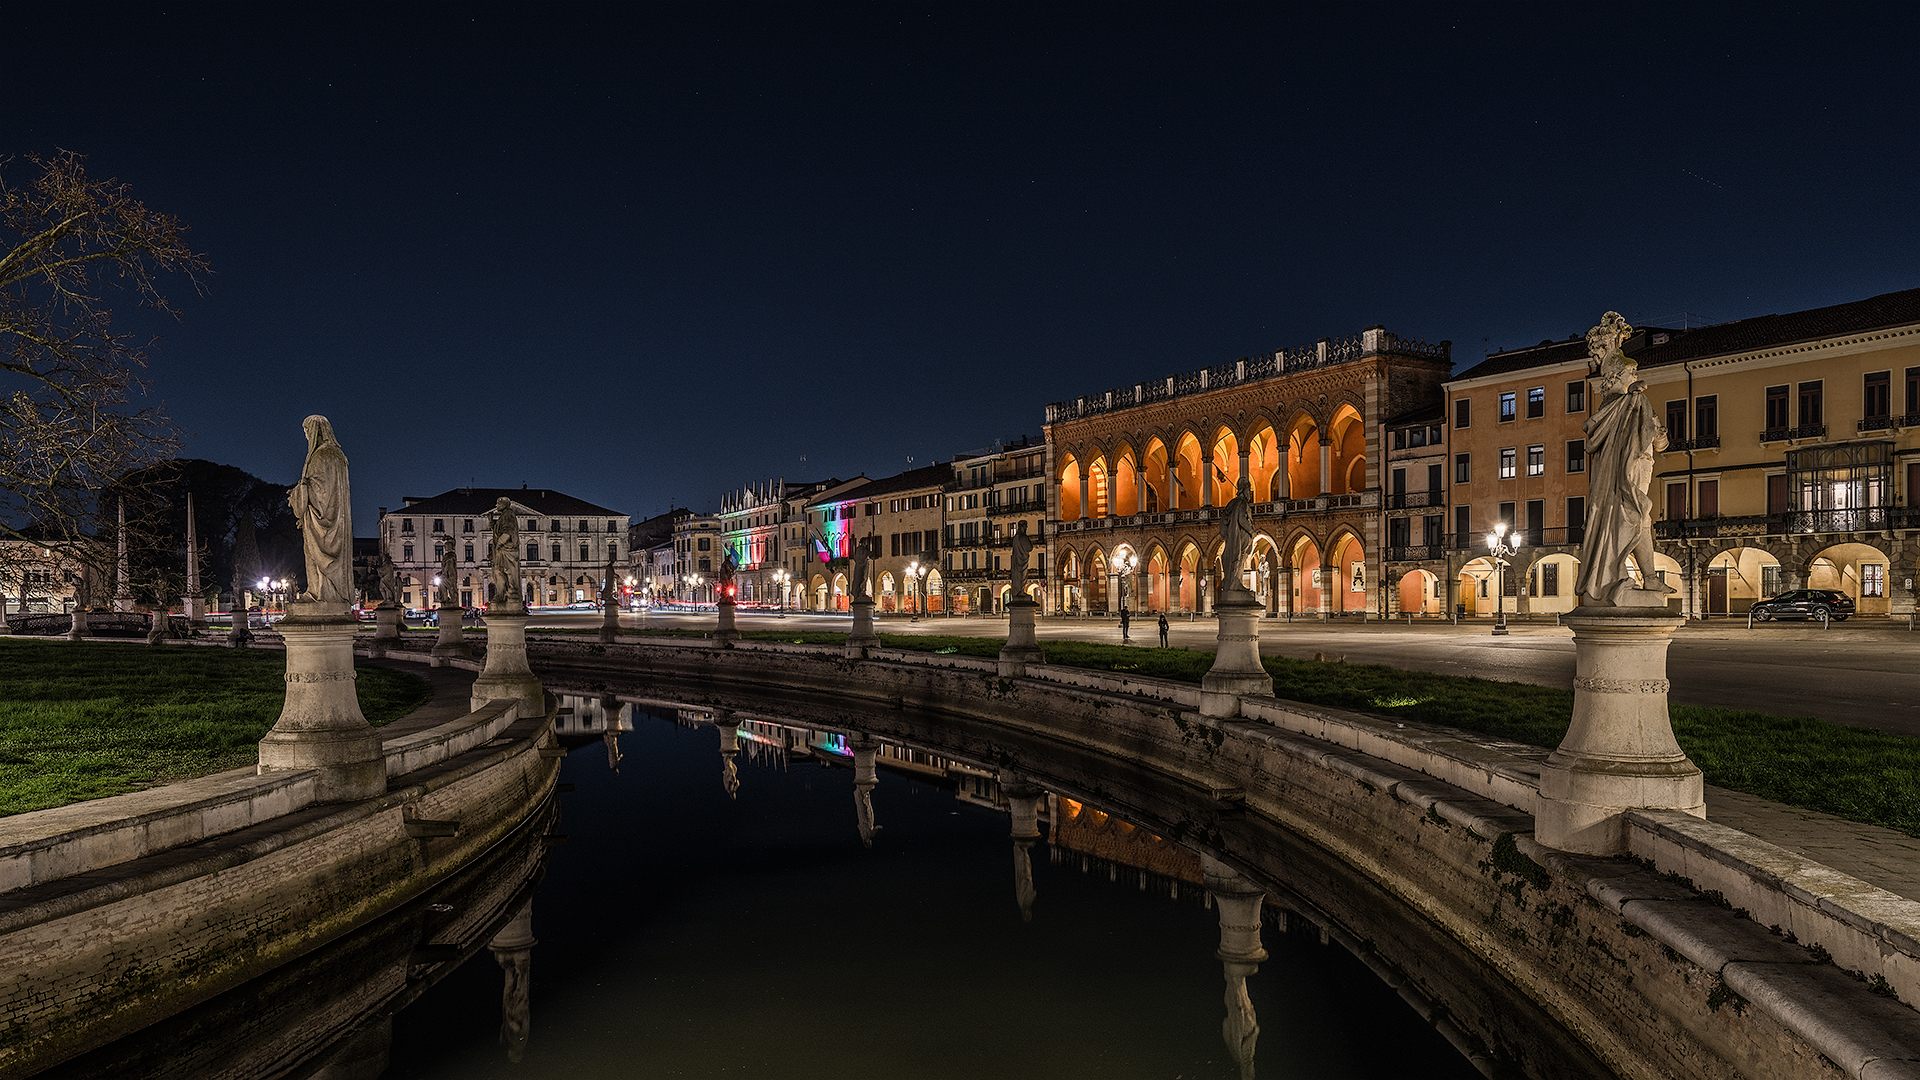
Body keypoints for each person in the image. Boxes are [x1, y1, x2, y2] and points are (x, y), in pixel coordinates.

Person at [1574, 312, 1672, 606]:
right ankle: (1629, 576)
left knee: (1639, 520)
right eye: (1631, 374)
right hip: (1626, 475)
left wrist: (1658, 432)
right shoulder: (1629, 404)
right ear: (1617, 378)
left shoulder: (1631, 405)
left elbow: (1660, 442)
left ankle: (1646, 577)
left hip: (1639, 469)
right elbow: (1652, 440)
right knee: (1634, 519)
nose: (1635, 378)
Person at [288, 415, 352, 605]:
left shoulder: (320, 456)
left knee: (314, 554)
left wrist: (298, 492)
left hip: (320, 519)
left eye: (307, 432)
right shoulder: (339, 457)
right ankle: (329, 593)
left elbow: (318, 490)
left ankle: (319, 593)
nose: (307, 437)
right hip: (337, 520)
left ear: (315, 432)